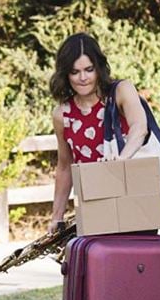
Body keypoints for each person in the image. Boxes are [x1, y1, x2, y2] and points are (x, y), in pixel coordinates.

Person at [49, 32, 148, 228]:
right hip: (92, 205)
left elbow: (140, 127)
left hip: (133, 199)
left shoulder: (120, 92)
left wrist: (121, 159)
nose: (83, 78)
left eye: (89, 69)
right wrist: (56, 217)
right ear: (65, 74)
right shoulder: (62, 115)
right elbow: (64, 166)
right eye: (75, 72)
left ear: (99, 68)